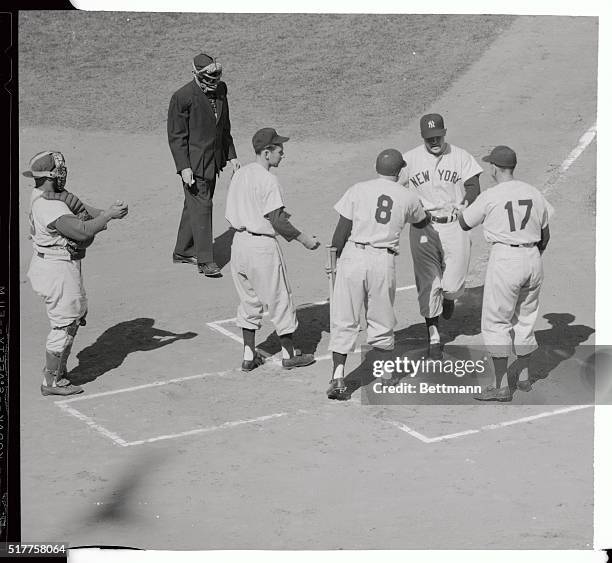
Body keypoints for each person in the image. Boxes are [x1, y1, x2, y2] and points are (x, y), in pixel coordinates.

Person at [326, 149, 430, 400]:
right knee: (382, 318)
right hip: (382, 260)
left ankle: (338, 377)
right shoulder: (408, 196)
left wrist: (335, 262)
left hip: (353, 255)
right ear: (399, 171)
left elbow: (341, 232)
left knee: (344, 318)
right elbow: (421, 222)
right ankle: (385, 377)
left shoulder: (358, 188)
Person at [24, 151, 128, 396]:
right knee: (65, 324)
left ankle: (58, 371)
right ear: (52, 175)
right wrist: (107, 218)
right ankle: (51, 382)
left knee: (71, 317)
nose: (64, 175)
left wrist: (106, 212)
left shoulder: (43, 193)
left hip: (54, 267)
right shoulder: (50, 208)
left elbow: (79, 208)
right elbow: (82, 231)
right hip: (56, 271)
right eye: (60, 171)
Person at [458, 145, 552, 401]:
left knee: (496, 322)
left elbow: (464, 222)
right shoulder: (534, 193)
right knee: (526, 318)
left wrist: (458, 209)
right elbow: (545, 235)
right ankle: (523, 379)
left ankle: (499, 386)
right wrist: (530, 256)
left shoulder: (491, 195)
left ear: (494, 168)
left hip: (506, 260)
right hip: (533, 257)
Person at [225, 127, 320, 371]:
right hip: (262, 249)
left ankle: (248, 356)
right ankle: (289, 354)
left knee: (249, 300)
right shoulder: (268, 179)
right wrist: (304, 239)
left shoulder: (240, 174)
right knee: (280, 299)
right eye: (279, 150)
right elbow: (277, 220)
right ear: (266, 153)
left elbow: (245, 209)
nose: (283, 154)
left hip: (238, 245)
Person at [399, 113, 482, 359]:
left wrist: (467, 201)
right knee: (428, 283)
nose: (434, 141)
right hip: (422, 227)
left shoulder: (460, 156)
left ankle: (449, 297)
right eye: (429, 138)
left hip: (454, 226)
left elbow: (473, 186)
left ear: (444, 133)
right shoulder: (409, 159)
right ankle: (433, 335)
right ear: (422, 137)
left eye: (437, 136)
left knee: (452, 285)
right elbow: (393, 186)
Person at [167, 52, 240, 277]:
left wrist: (231, 155)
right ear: (197, 75)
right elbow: (177, 136)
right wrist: (184, 167)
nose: (214, 82)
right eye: (209, 77)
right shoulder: (182, 97)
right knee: (203, 206)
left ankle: (183, 251)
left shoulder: (221, 90)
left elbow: (224, 126)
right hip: (194, 164)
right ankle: (206, 261)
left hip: (213, 160)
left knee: (195, 206)